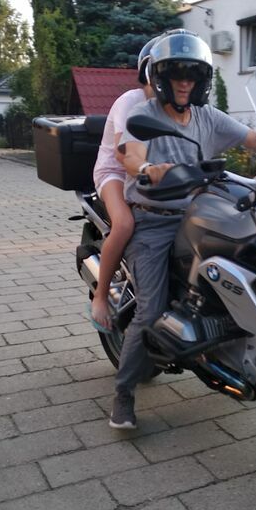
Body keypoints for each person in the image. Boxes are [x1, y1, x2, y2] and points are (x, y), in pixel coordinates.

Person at [110, 29, 256, 429]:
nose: (185, 82)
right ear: (161, 77)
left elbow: (254, 139)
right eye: (177, 74)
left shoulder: (206, 116)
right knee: (150, 310)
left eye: (193, 75)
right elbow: (131, 155)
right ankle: (123, 395)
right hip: (153, 220)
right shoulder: (145, 115)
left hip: (200, 211)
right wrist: (148, 169)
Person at [89, 36, 159, 330]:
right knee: (125, 224)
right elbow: (123, 153)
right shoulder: (130, 101)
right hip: (114, 173)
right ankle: (101, 296)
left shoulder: (175, 105)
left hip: (149, 173)